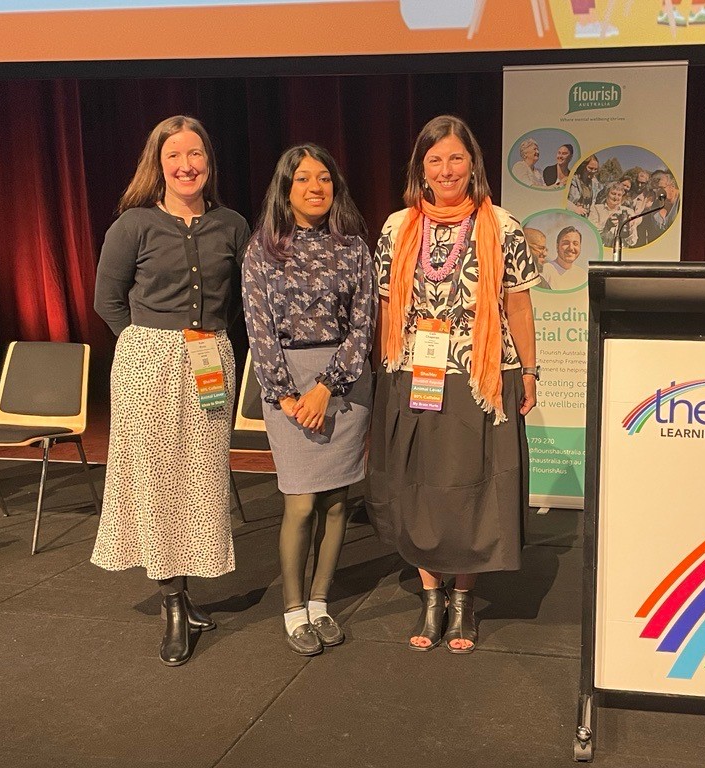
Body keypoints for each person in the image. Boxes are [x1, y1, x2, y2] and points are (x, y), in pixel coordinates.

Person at [367, 115, 539, 654]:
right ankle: (430, 596)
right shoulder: (396, 227)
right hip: (415, 372)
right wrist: (388, 375)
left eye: (456, 159)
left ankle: (463, 599)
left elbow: (518, 304)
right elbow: (388, 306)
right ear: (421, 167)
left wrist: (530, 371)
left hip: (481, 376)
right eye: (435, 159)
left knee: (475, 487)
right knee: (417, 486)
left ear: (473, 165)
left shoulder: (503, 225)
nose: (445, 170)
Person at [92, 115, 249, 667]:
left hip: (210, 358)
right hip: (147, 362)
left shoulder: (232, 224)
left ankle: (190, 585)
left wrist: (205, 341)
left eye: (196, 155)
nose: (186, 166)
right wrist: (146, 346)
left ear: (209, 162)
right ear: (157, 164)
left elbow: (238, 302)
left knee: (202, 476)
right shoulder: (133, 225)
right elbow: (107, 301)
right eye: (174, 156)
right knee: (155, 478)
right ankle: (173, 601)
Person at [242, 144, 374, 657]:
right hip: (288, 386)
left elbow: (363, 326)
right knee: (300, 503)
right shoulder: (263, 249)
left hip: (345, 385)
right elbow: (259, 330)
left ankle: (322, 604)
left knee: (339, 500)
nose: (316, 187)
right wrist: (290, 394)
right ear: (286, 188)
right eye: (303, 179)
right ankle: (294, 611)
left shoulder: (354, 247)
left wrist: (328, 386)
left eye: (324, 178)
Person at [589, 181, 636, 249]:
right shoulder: (596, 209)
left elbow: (633, 242)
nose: (616, 197)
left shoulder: (629, 212)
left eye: (619, 195)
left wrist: (629, 229)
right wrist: (607, 226)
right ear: (607, 193)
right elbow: (592, 235)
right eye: (613, 193)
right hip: (603, 250)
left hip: (622, 252)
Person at [542, 226, 589, 290]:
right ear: (557, 246)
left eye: (575, 244)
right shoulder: (545, 271)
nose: (571, 248)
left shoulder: (582, 275)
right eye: (566, 243)